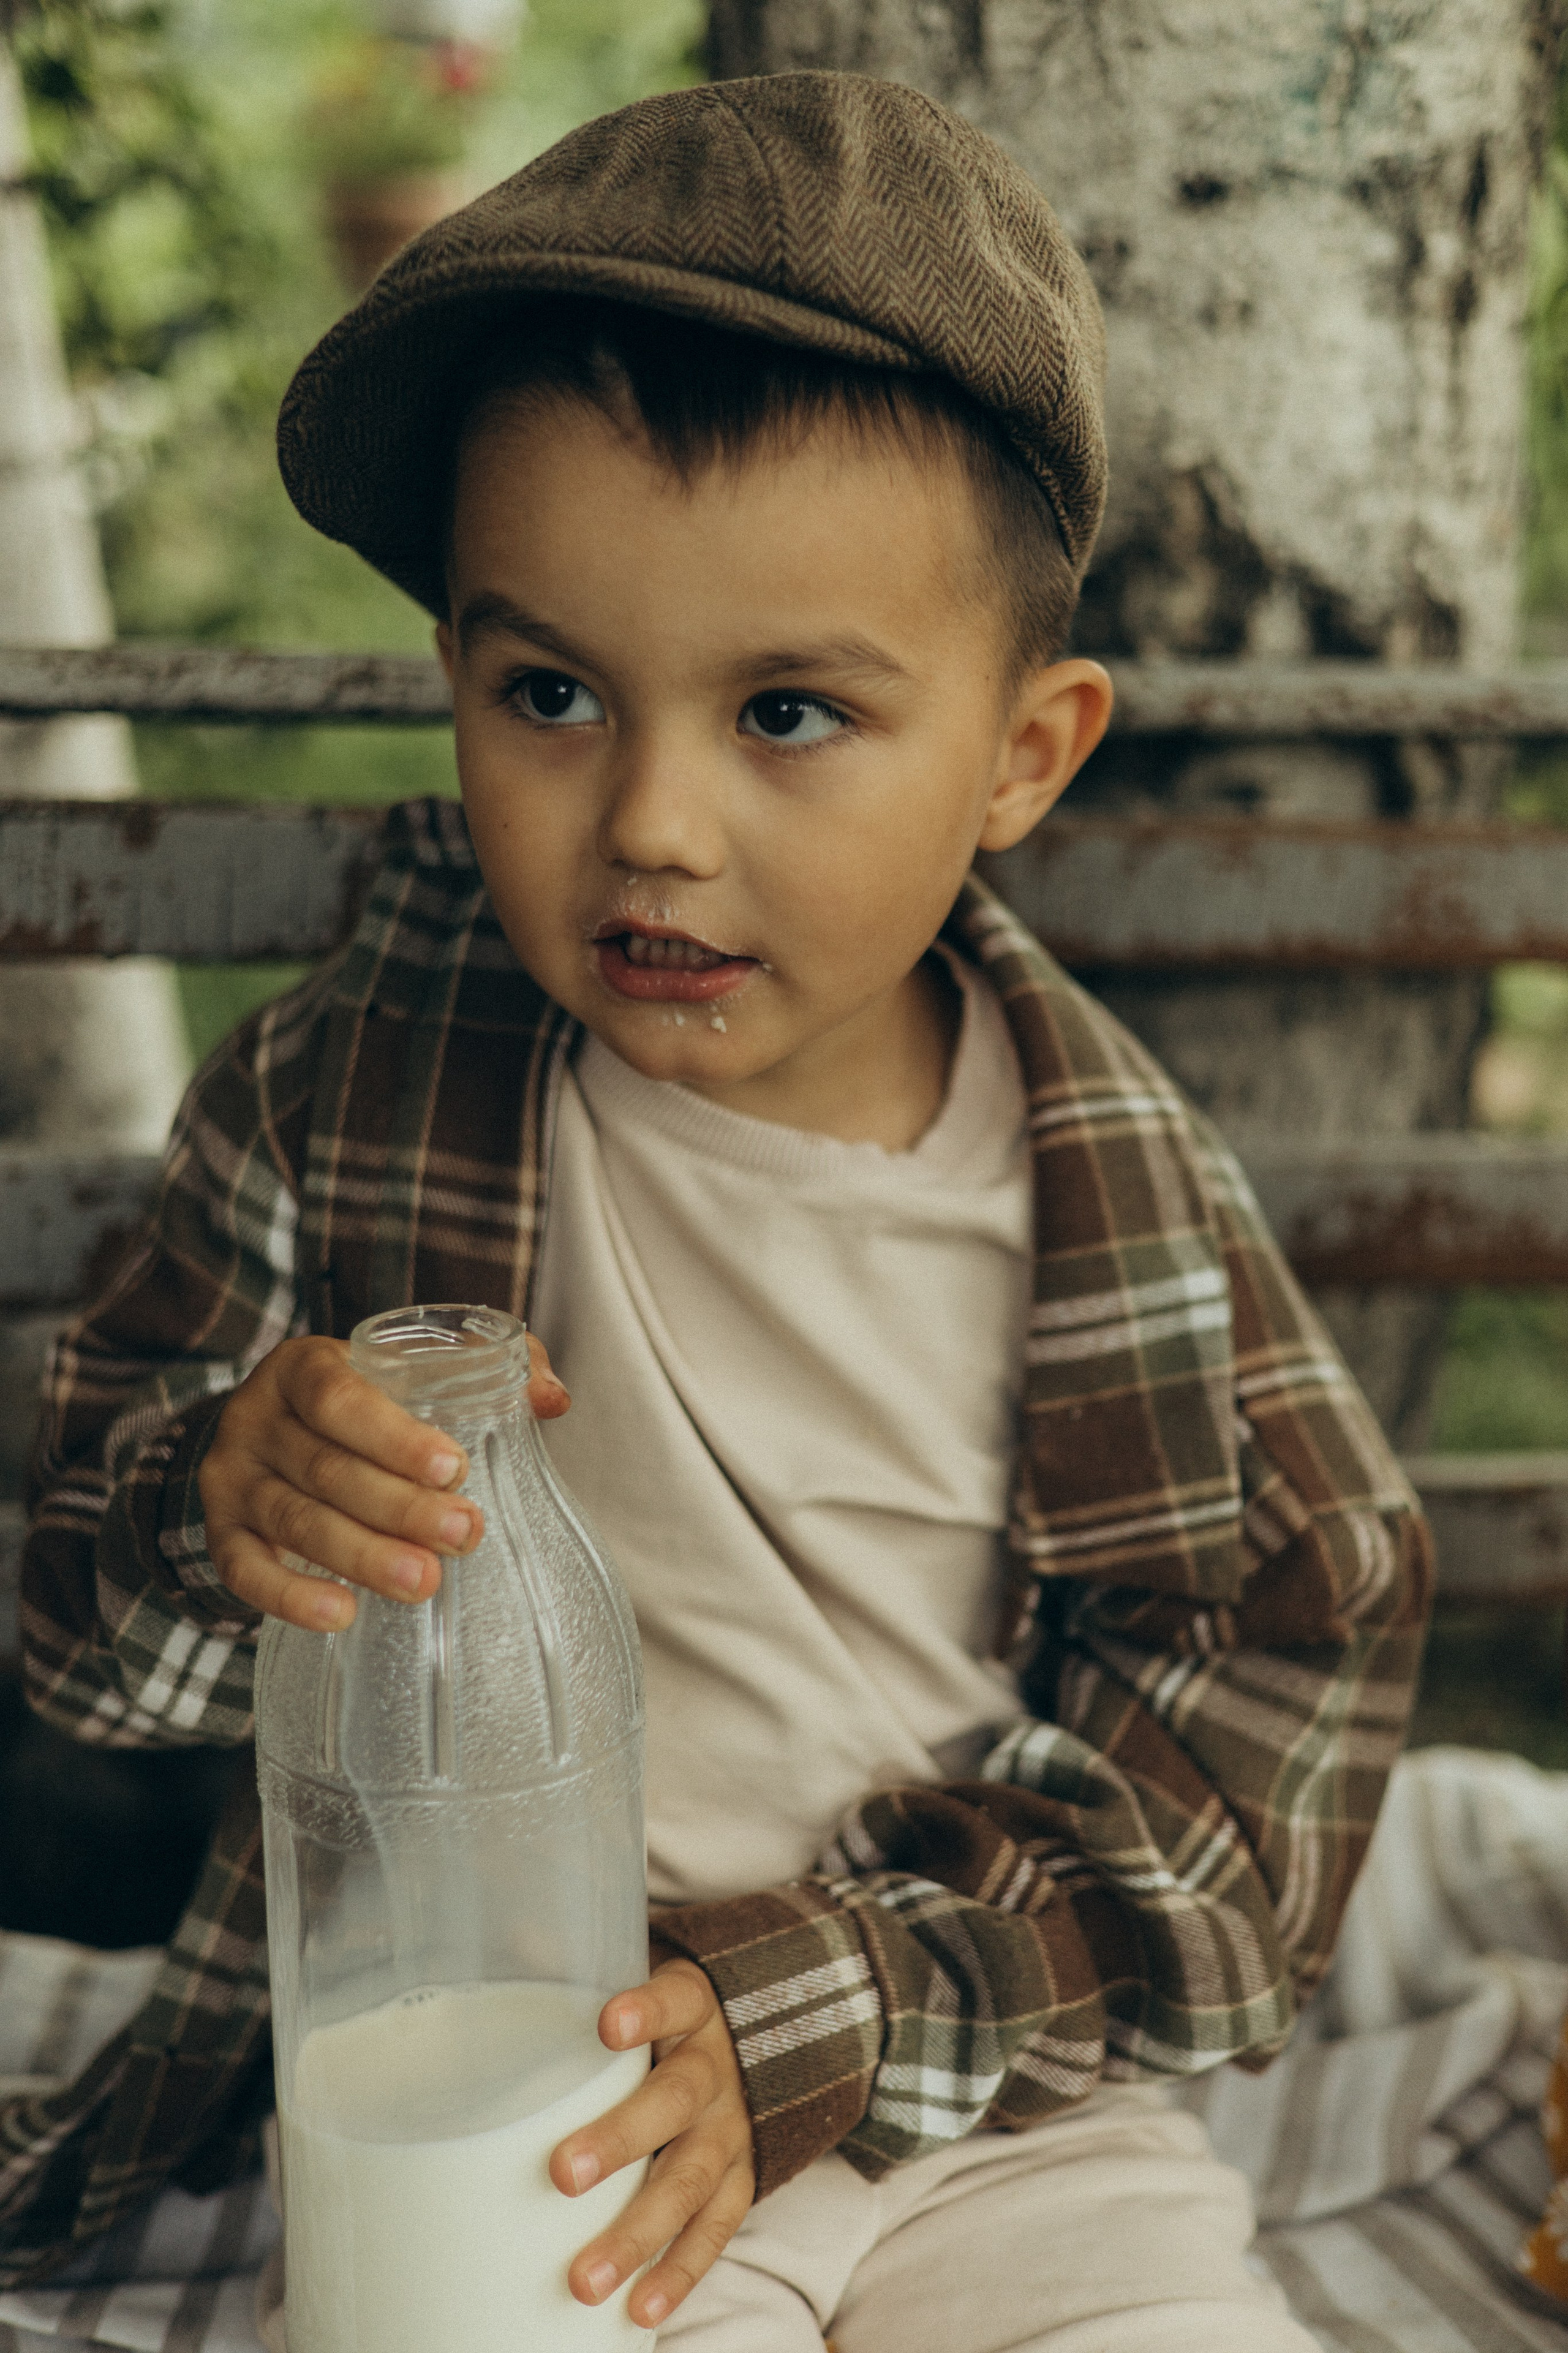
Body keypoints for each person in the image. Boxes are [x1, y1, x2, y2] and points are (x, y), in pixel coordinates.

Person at [17, 70, 1431, 2353]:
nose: (653, 820)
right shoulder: (346, 1092)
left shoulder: (1106, 1195)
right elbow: (81, 1625)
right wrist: (218, 1506)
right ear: (455, 676)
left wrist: (844, 1998)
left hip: (977, 2081)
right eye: (550, 691)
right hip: (525, 2091)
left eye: (785, 712)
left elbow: (1250, 1748)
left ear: (1024, 753)